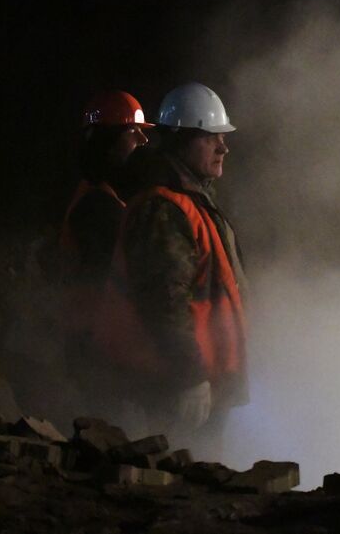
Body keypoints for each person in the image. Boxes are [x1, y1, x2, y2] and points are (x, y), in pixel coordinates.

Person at [94, 82, 248, 455]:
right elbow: (164, 299)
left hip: (201, 383)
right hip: (176, 386)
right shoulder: (163, 208)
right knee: (179, 481)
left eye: (222, 137)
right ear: (180, 140)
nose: (223, 147)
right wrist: (189, 377)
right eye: (210, 138)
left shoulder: (189, 202)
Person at [54, 90, 154, 413]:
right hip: (98, 356)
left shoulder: (101, 199)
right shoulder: (98, 207)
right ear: (107, 141)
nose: (143, 141)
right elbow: (111, 287)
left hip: (95, 350)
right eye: (133, 132)